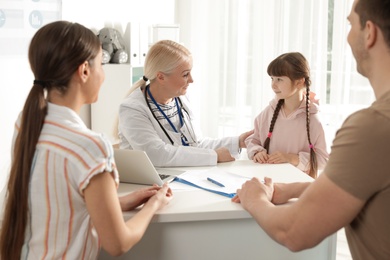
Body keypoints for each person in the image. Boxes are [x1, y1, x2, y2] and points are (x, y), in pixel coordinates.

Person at [0, 21, 173, 259]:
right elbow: (118, 243)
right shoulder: (90, 146)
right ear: (84, 71)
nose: (103, 75)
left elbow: (54, 203)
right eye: (101, 64)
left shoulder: (26, 124)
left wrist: (116, 202)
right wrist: (155, 205)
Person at [232, 0, 390, 259]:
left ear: (370, 32)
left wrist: (254, 198)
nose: (347, 35)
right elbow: (365, 189)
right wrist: (294, 189)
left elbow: (293, 232)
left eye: (350, 23)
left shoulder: (372, 129)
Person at [118, 40, 253, 167]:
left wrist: (237, 142)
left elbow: (196, 145)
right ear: (161, 77)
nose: (191, 80)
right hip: (145, 185)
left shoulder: (181, 99)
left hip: (181, 177)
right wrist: (214, 156)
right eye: (185, 74)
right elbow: (155, 155)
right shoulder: (132, 108)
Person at [245, 52, 329, 178]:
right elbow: (253, 140)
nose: (273, 85)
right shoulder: (268, 112)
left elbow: (323, 161)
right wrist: (257, 152)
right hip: (267, 181)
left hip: (298, 189)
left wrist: (292, 158)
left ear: (299, 82)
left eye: (279, 79)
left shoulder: (314, 119)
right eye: (272, 79)